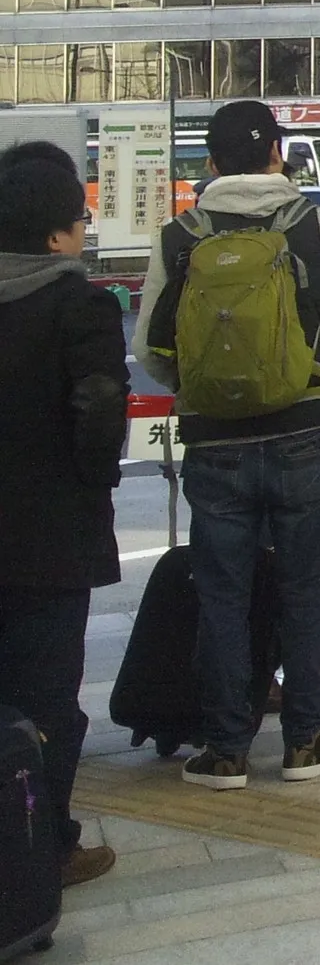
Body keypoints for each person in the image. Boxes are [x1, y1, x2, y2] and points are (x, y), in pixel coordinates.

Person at [136, 99, 320, 790]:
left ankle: (224, 749)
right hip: (305, 433)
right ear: (279, 152)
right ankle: (305, 740)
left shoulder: (177, 236)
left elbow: (151, 349)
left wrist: (204, 385)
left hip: (214, 442)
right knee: (305, 589)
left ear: (209, 162)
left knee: (222, 594)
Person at [0, 157, 126, 886]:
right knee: (48, 697)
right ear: (55, 235)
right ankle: (44, 844)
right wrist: (91, 480)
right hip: (51, 535)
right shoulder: (78, 305)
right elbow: (100, 407)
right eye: (80, 218)